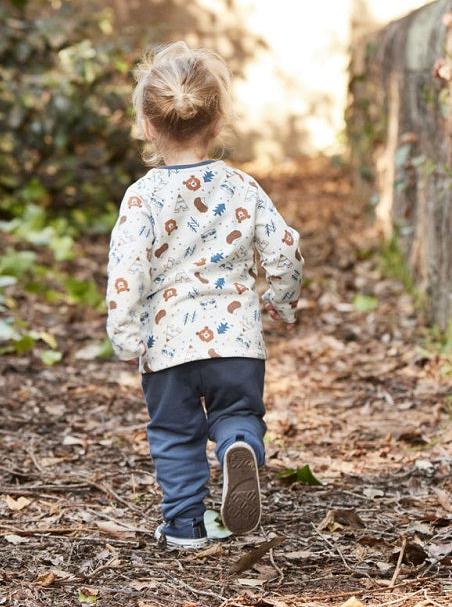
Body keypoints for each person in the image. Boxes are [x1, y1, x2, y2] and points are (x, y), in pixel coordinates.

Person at [105, 41, 303, 549]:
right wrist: (280, 299)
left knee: (174, 432)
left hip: (167, 341)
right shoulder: (242, 186)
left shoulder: (142, 195)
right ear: (217, 124)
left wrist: (125, 333)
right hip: (235, 340)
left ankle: (184, 524)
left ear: (148, 126)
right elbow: (282, 245)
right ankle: (238, 444)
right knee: (238, 412)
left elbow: (127, 268)